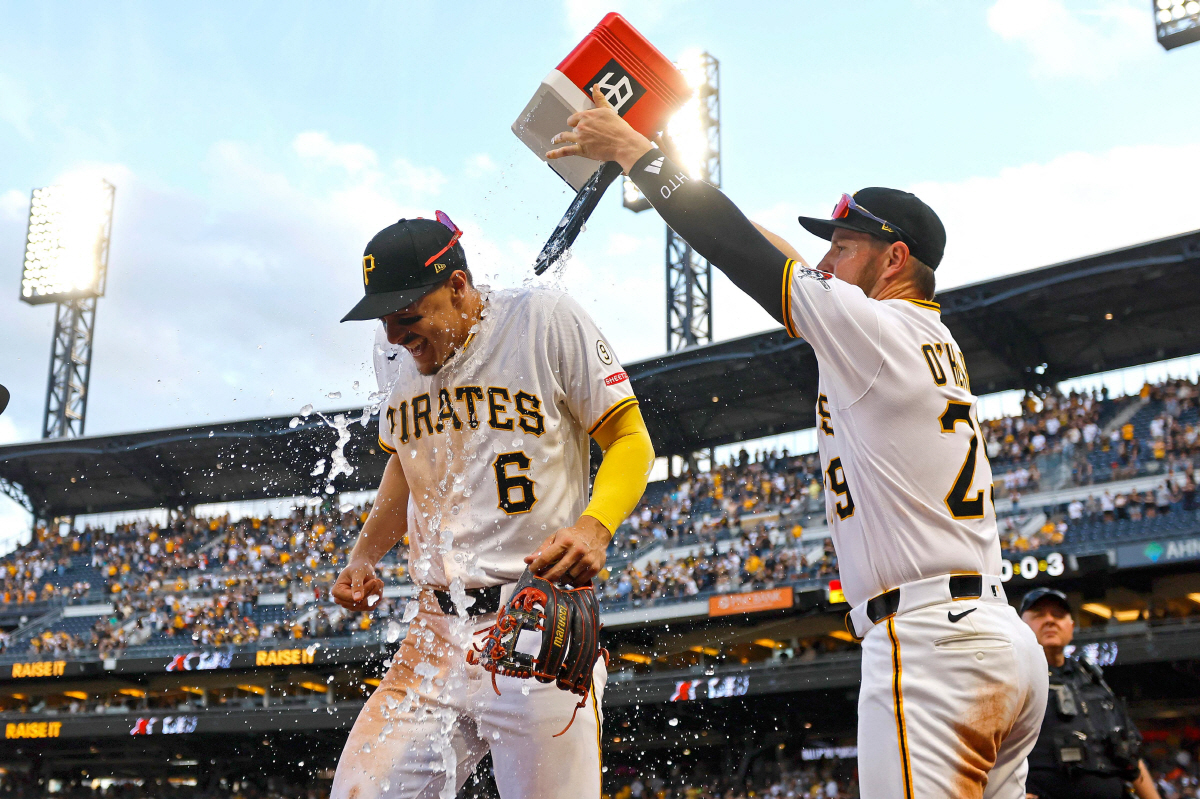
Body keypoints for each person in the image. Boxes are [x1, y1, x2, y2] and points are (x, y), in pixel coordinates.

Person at [552, 86, 1048, 799]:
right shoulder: (921, 334)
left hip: (933, 642)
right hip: (997, 637)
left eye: (845, 247)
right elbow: (784, 259)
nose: (828, 260)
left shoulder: (871, 330)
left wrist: (638, 154)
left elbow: (741, 251)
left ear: (894, 259)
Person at [329, 213, 655, 799]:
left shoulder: (544, 319)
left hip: (532, 619)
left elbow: (630, 438)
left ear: (457, 287)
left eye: (408, 318)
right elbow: (406, 460)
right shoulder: (396, 355)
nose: (396, 336)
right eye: (385, 322)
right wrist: (363, 556)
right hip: (432, 629)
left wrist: (594, 526)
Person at [1019, 588, 1160, 799]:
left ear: (1071, 627)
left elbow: (1129, 754)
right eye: (1039, 614)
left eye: (1058, 615)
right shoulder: (1012, 679)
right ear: (1020, 626)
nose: (1049, 620)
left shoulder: (1094, 681)